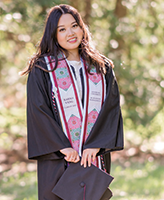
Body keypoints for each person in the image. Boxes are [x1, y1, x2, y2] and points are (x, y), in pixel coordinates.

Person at [21, 4, 124, 200]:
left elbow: (111, 109)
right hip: (59, 157)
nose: (70, 33)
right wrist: (62, 146)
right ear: (53, 34)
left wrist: (96, 144)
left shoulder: (101, 67)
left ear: (82, 28)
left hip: (93, 156)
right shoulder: (43, 69)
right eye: (62, 29)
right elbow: (38, 110)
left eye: (74, 25)